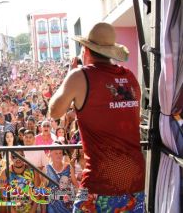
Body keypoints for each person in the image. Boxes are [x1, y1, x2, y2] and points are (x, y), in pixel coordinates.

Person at [49, 22, 145, 211]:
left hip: (98, 182)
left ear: (86, 50)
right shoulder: (130, 77)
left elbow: (54, 111)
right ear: (111, 52)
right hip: (136, 179)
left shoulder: (80, 76)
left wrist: (69, 74)